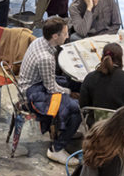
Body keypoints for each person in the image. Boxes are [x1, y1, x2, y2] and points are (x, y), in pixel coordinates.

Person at [18, 16, 79, 164]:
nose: (67, 36)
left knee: (71, 82)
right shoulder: (46, 57)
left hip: (37, 82)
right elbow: (51, 87)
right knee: (75, 109)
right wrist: (70, 93)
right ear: (55, 36)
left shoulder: (41, 41)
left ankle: (65, 128)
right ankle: (56, 149)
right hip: (32, 92)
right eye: (65, 33)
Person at [80, 42, 124, 116]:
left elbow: (83, 105)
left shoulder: (90, 77)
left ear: (102, 57)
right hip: (121, 125)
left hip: (96, 124)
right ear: (121, 58)